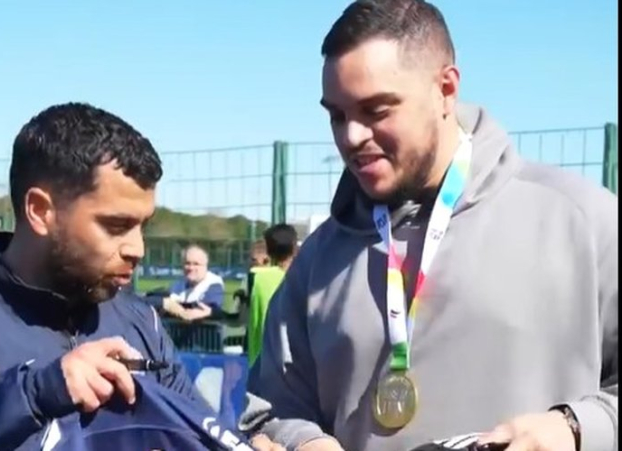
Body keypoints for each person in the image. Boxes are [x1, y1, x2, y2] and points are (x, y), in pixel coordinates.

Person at [246, 1, 618, 451]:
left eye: (376, 110)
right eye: (337, 115)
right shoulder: (317, 259)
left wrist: (577, 427)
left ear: (445, 89)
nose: (351, 137)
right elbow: (271, 407)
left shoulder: (584, 222)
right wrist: (301, 440)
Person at [0, 103, 272, 451]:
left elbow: (194, 431)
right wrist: (32, 393)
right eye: (116, 225)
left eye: (144, 226)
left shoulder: (141, 321)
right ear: (41, 211)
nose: (137, 248)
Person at [245, 223, 297, 367]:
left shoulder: (255, 277)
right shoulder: (305, 278)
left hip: (261, 363)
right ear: (294, 248)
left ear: (268, 250)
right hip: (295, 365)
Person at [157, 244, 227, 323]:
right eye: (187, 263)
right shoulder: (177, 284)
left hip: (204, 332)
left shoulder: (214, 283)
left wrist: (172, 307)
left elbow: (207, 308)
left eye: (196, 264)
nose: (191, 268)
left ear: (205, 266)